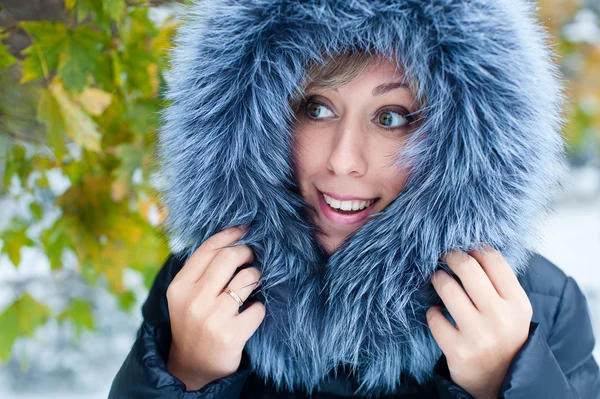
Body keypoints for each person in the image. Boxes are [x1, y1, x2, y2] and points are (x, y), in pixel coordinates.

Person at [108, 0, 600, 398]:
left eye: (392, 117)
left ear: (464, 143)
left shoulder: (538, 307)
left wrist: (507, 381)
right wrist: (188, 375)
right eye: (316, 107)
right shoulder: (199, 291)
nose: (344, 161)